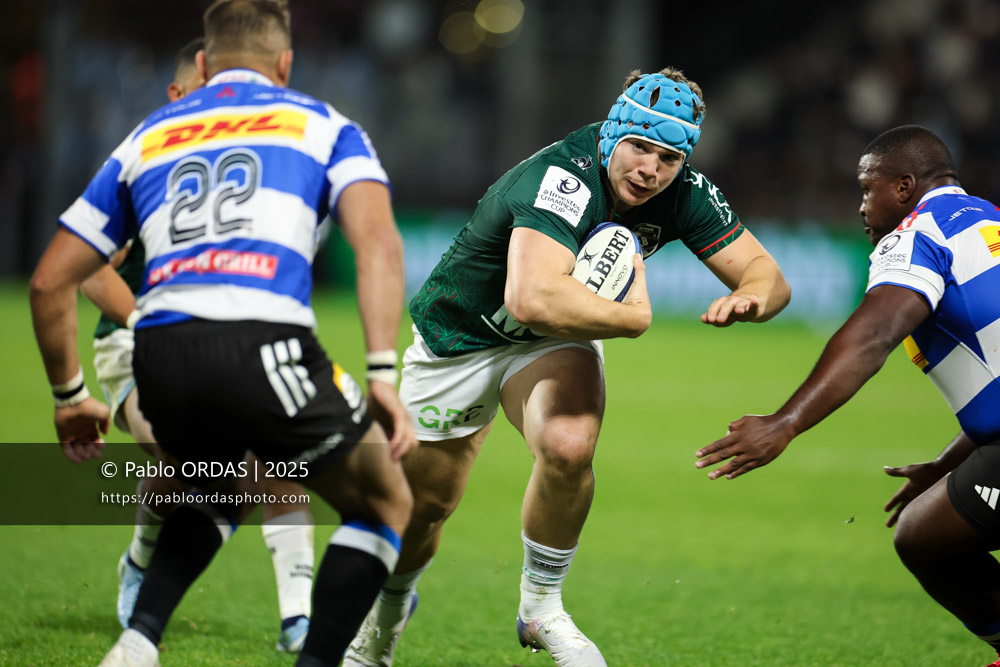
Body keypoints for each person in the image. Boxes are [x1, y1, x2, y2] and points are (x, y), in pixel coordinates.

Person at [344, 67, 791, 667]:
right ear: (612, 132)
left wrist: (753, 297)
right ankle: (388, 613)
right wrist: (631, 318)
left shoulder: (684, 191)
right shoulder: (564, 177)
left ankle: (541, 607)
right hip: (461, 336)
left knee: (569, 443)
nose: (649, 169)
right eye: (639, 147)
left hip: (552, 339)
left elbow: (769, 275)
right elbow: (530, 297)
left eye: (667, 157)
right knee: (426, 507)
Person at [28, 1, 416, 666]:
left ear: (203, 64)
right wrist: (381, 372)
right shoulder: (324, 125)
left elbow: (49, 282)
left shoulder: (146, 135)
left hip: (161, 354)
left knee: (221, 486)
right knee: (384, 499)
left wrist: (70, 397)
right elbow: (376, 240)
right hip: (264, 339)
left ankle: (138, 637)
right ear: (286, 65)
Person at [695, 124, 1000, 666]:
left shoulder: (915, 237)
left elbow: (873, 336)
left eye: (867, 188)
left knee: (925, 539)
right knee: (926, 529)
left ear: (904, 187)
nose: (860, 206)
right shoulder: (987, 219)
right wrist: (950, 460)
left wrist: (785, 422)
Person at [80, 36, 317, 654]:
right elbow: (89, 271)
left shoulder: (262, 159)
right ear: (178, 96)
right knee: (188, 464)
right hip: (137, 343)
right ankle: (141, 561)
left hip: (232, 340)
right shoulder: (149, 157)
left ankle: (300, 615)